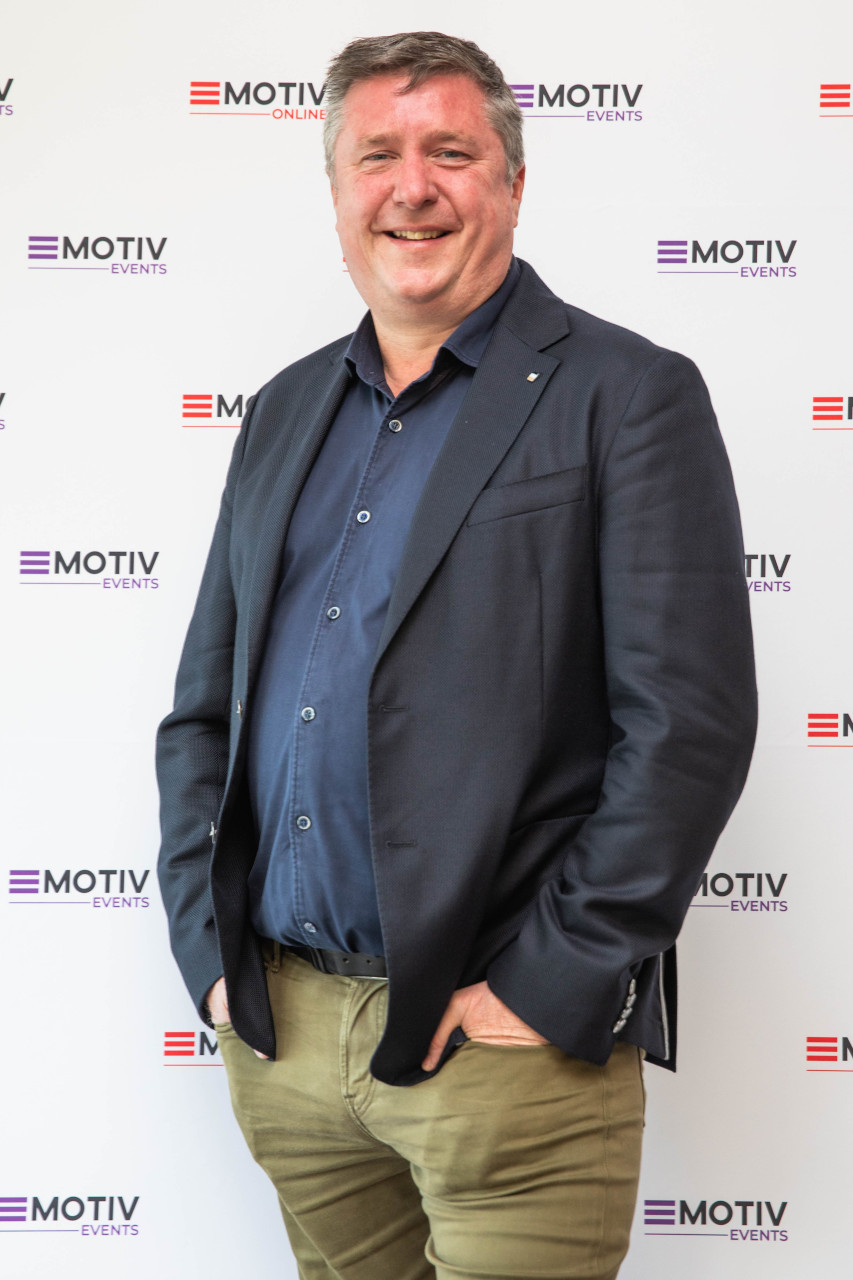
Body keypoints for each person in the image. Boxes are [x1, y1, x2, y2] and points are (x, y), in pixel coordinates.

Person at [156, 30, 757, 1280]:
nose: (412, 187)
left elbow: (685, 727)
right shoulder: (282, 409)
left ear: (513, 181)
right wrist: (211, 955)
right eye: (376, 155)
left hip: (501, 1046)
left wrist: (552, 981)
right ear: (337, 190)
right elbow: (207, 706)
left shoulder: (626, 395)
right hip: (285, 1037)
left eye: (451, 152)